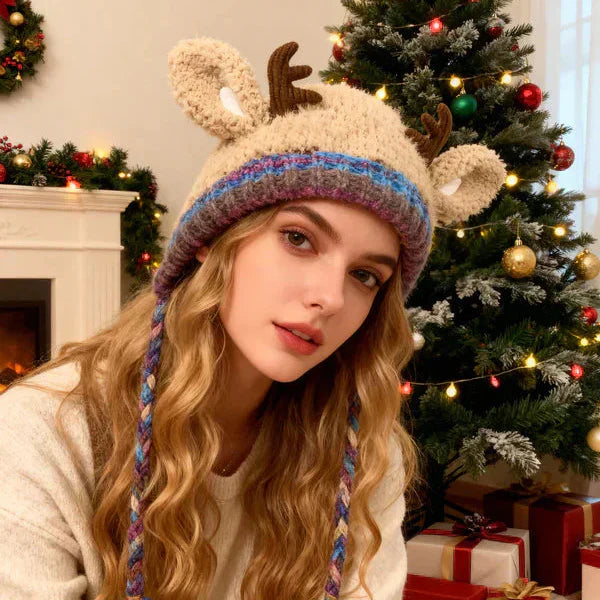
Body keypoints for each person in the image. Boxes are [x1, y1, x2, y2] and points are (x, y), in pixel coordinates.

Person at [0, 37, 505, 600]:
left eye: (366, 275)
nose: (330, 298)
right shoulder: (41, 435)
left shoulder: (361, 452)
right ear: (213, 238)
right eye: (298, 238)